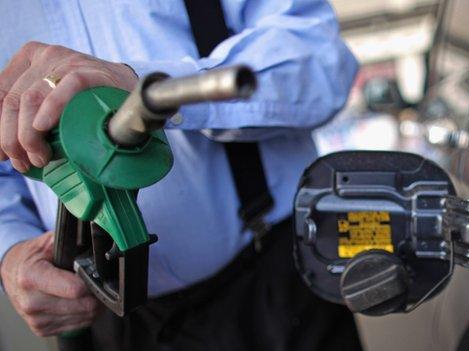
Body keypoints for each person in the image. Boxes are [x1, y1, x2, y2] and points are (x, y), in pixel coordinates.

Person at [0, 0, 360, 350]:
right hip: (101, 321)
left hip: (272, 290)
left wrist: (143, 83)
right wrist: (11, 251)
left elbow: (322, 62)